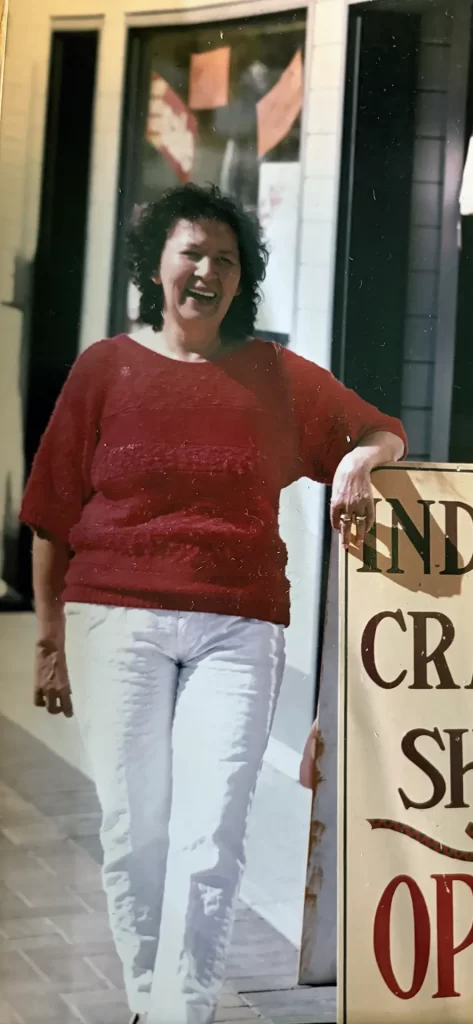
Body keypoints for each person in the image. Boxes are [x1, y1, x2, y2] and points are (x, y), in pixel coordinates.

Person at [20, 182, 406, 1024]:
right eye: (191, 252)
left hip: (238, 627)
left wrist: (357, 465)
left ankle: (177, 1015)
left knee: (210, 841)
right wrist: (48, 641)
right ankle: (144, 1002)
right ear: (156, 264)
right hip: (114, 621)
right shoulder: (105, 368)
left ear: (242, 280)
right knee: (137, 835)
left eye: (224, 261)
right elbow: (49, 512)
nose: (206, 271)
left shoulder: (271, 374)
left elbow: (382, 428)